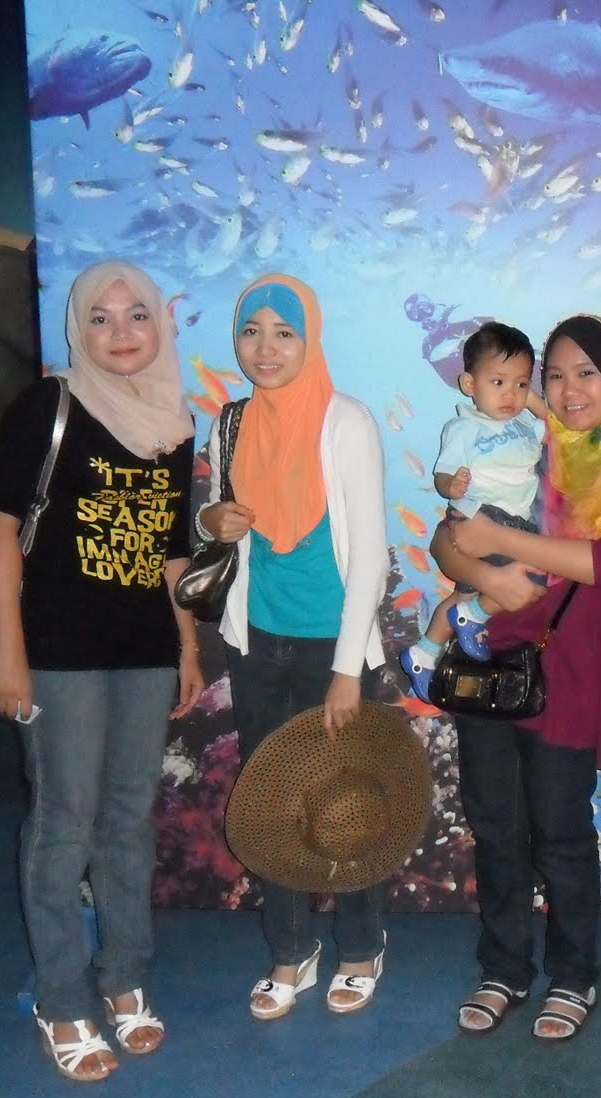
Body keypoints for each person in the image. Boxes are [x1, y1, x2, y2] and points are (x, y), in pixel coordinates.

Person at [0, 260, 204, 1083]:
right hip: (59, 652)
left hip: (142, 649)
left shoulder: (173, 421)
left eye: (136, 314)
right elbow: (0, 529)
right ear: (79, 328)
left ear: (160, 323)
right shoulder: (50, 406)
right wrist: (10, 650)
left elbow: (171, 547)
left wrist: (186, 646)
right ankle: (63, 997)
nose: (120, 333)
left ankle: (125, 978)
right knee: (63, 822)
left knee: (127, 822)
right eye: (100, 318)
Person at [431, 314, 601, 1040]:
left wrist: (495, 540)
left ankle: (573, 975)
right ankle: (504, 967)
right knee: (495, 824)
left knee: (561, 831)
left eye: (588, 374)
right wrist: (483, 572)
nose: (570, 391)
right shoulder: (530, 447)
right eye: (558, 375)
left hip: (574, 668)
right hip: (491, 656)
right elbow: (448, 536)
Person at [197, 274, 392, 1021]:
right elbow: (216, 517)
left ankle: (361, 945)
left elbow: (370, 556)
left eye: (284, 332)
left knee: (349, 800)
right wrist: (212, 518)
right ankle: (290, 950)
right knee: (273, 800)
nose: (266, 348)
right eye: (251, 332)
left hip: (330, 648)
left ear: (310, 338)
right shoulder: (231, 423)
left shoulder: (347, 422)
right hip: (257, 641)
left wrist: (347, 671)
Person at [399, 321, 547, 699]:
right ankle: (474, 616)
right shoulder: (464, 428)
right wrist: (451, 485)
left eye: (521, 383)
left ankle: (424, 652)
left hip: (515, 522)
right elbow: (442, 474)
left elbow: (556, 424)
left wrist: (532, 402)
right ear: (469, 384)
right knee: (533, 578)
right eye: (498, 382)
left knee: (465, 594)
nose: (510, 393)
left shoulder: (525, 424)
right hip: (483, 515)